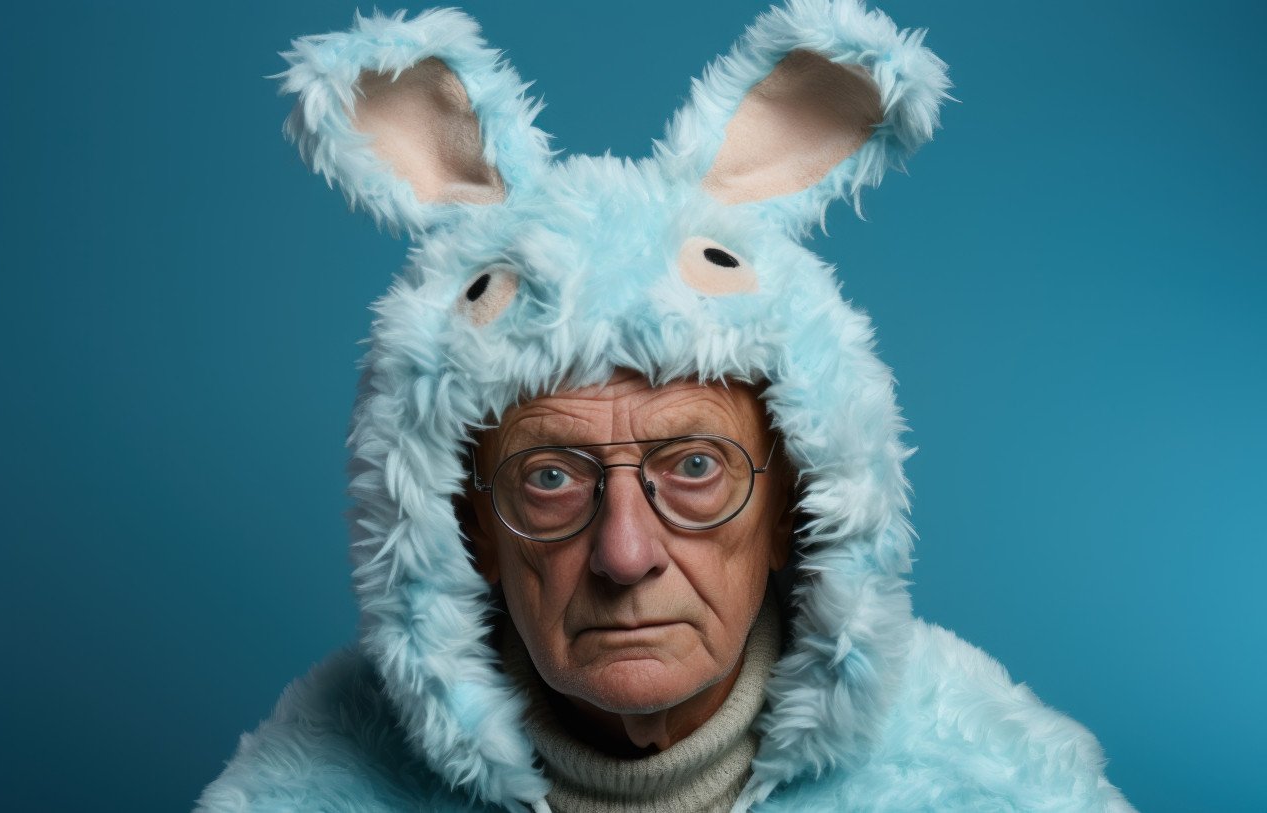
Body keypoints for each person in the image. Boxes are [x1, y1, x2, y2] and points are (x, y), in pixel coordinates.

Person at [197, 2, 1135, 811]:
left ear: (793, 509)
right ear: (465, 526)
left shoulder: (988, 784)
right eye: (550, 478)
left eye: (694, 467)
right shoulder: (315, 788)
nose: (625, 553)